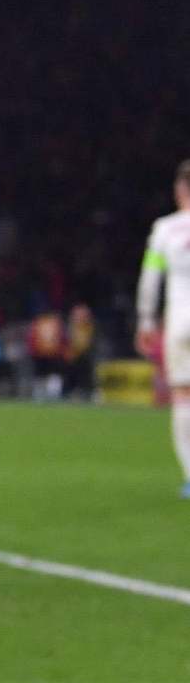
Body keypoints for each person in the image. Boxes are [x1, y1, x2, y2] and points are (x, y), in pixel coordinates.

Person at [133, 160, 190, 495]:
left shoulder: (165, 229)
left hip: (181, 320)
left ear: (180, 190)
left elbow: (150, 279)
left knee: (183, 396)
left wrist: (145, 319)